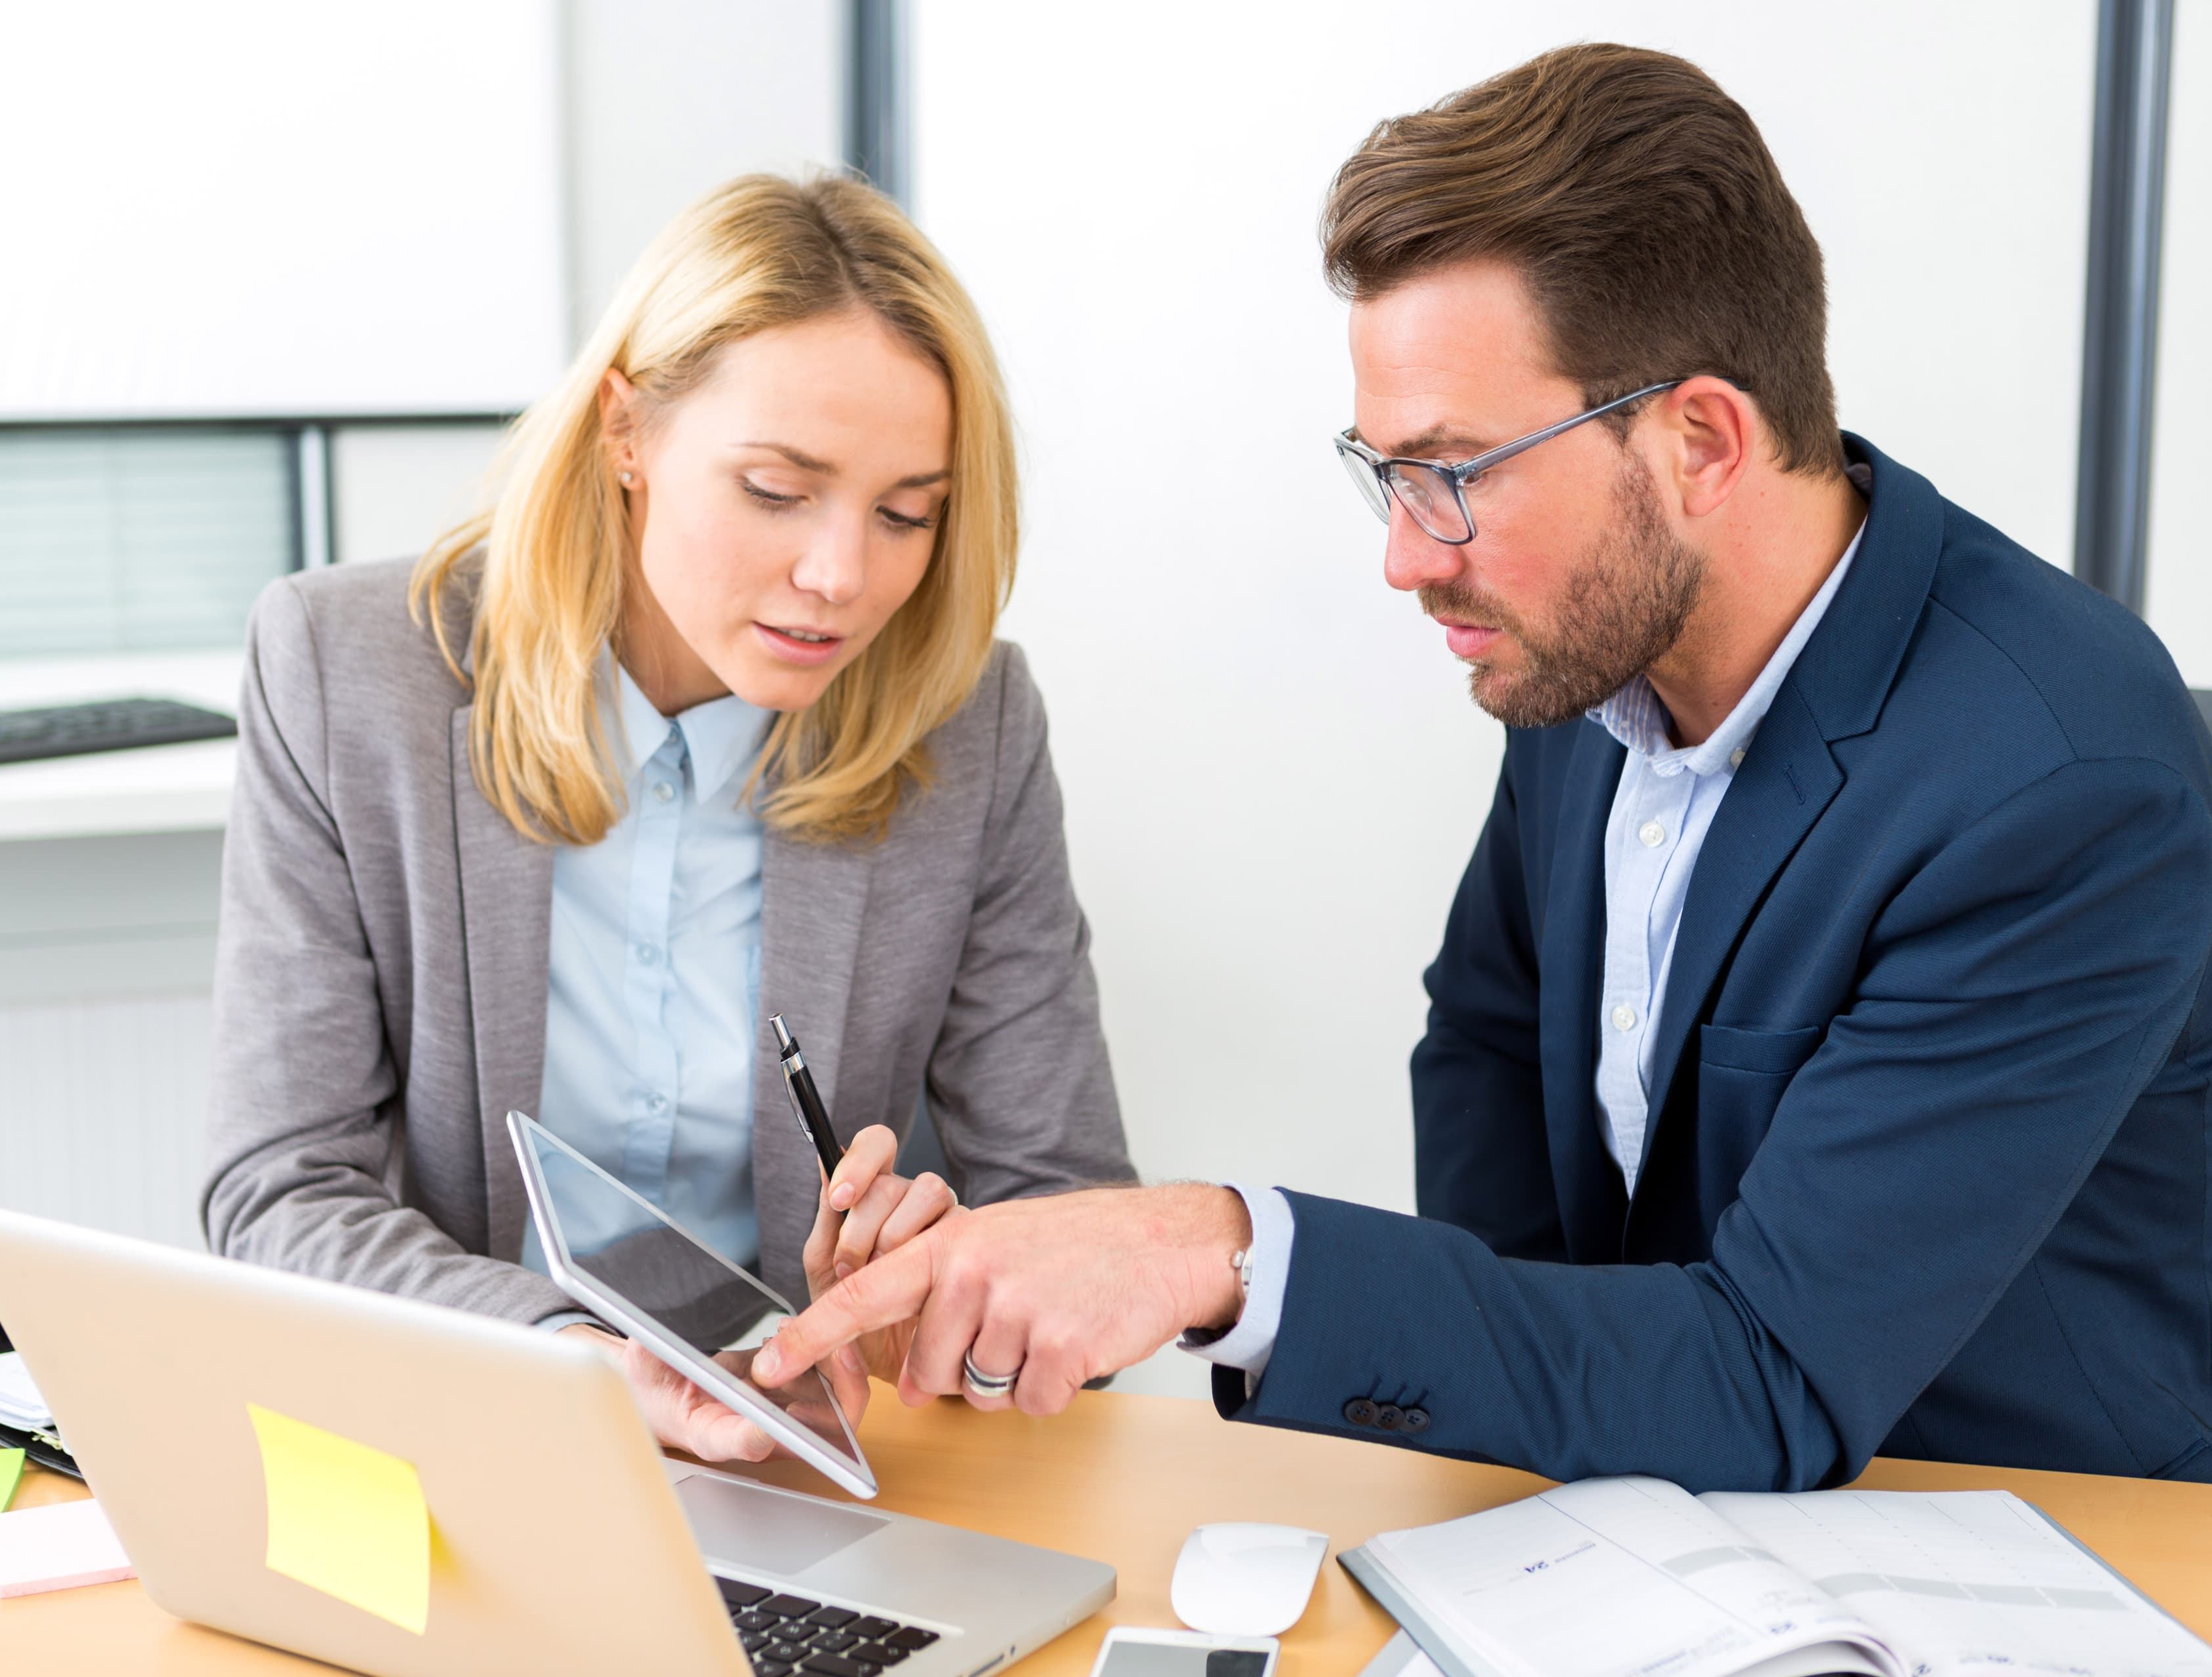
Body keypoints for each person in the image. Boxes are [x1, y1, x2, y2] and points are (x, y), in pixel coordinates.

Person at [755, 45, 2212, 1492]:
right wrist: (1538, 1420)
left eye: (1454, 474)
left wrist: (1225, 1249)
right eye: (1385, 473)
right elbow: (1491, 1036)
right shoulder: (1590, 646)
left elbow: (1769, 1370)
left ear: (1702, 441)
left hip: (2015, 1537)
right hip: (1652, 1522)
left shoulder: (2060, 783)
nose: (1406, 557)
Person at [203, 173, 1133, 1464]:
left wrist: (937, 1295)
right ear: (624, 432)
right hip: (467, 1427)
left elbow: (1074, 1222)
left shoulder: (970, 726)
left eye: (905, 513)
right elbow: (278, 1197)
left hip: (801, 1457)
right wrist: (582, 1365)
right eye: (776, 489)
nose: (841, 575)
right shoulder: (345, 670)